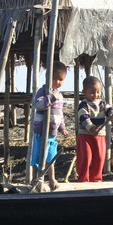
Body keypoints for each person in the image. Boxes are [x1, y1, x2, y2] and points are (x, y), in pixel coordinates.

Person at [32, 61, 69, 190]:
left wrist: (62, 127)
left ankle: (52, 180)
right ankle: (35, 179)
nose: (57, 82)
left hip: (52, 133)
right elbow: (39, 105)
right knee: (38, 157)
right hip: (41, 132)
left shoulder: (60, 95)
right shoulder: (42, 91)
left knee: (51, 157)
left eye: (61, 79)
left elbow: (60, 114)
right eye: (55, 78)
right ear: (48, 77)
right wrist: (51, 97)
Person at [77, 75, 113, 182]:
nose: (96, 95)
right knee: (86, 157)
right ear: (85, 91)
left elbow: (109, 109)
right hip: (86, 134)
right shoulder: (84, 104)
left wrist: (112, 115)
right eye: (92, 92)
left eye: (98, 92)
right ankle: (83, 179)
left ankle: (96, 178)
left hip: (100, 135)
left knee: (100, 156)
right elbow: (83, 117)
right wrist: (91, 127)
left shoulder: (102, 103)